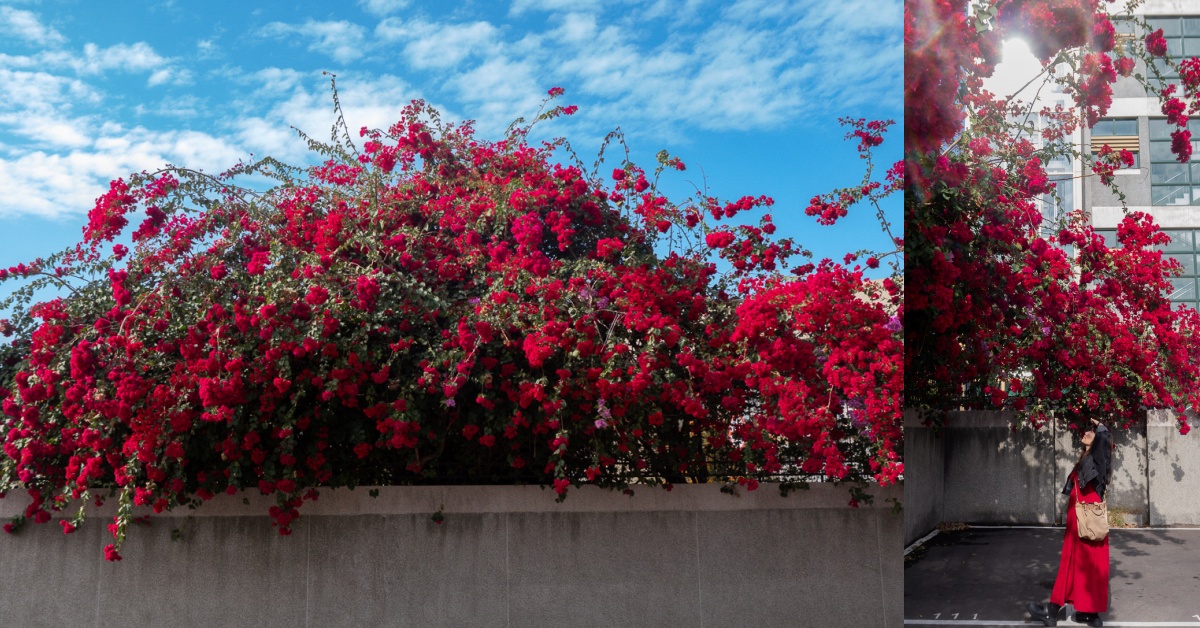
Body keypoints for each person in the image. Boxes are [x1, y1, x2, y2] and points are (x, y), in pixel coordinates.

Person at [1027, 418, 1112, 627]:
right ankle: (1089, 613)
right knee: (1086, 564)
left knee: (1076, 563)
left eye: (1092, 433)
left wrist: (1101, 427)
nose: (1086, 433)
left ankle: (1052, 611)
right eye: (1088, 430)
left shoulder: (1099, 458)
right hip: (1082, 518)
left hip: (1086, 519)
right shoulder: (1087, 459)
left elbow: (1104, 440)